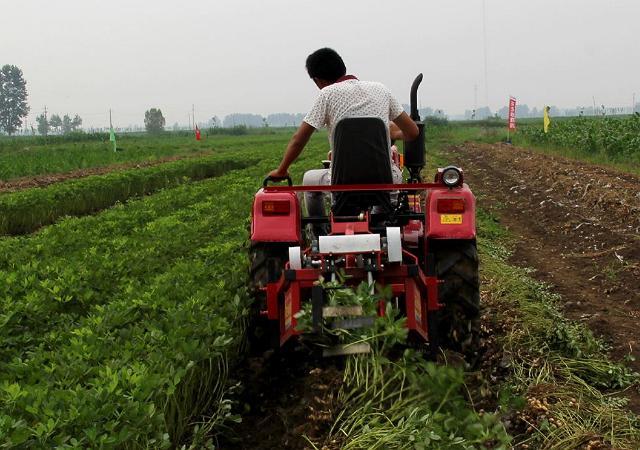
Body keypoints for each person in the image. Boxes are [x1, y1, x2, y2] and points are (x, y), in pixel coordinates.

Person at [268, 47, 419, 216]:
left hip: (341, 183)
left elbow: (299, 139)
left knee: (309, 179)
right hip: (386, 180)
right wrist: (394, 133)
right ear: (342, 68)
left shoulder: (327, 94)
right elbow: (412, 132)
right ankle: (383, 221)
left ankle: (318, 231)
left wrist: (282, 170)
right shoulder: (381, 89)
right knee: (387, 197)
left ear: (318, 81)